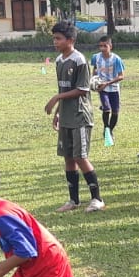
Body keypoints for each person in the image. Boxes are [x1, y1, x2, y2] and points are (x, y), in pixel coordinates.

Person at [46, 22, 103, 213]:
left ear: (70, 40)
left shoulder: (79, 60)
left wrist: (56, 99)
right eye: (54, 38)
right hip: (67, 116)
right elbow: (63, 88)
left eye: (58, 38)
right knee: (68, 158)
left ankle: (97, 199)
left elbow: (81, 90)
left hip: (80, 116)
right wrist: (58, 113)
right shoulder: (59, 61)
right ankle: (74, 200)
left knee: (80, 156)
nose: (55, 42)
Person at [90, 36, 125, 148]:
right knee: (106, 108)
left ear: (110, 46)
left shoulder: (116, 59)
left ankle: (110, 129)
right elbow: (95, 69)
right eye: (100, 46)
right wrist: (94, 80)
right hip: (102, 88)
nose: (102, 48)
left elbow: (121, 76)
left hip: (113, 88)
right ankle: (106, 130)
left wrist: (108, 83)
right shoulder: (96, 57)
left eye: (105, 46)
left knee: (115, 112)